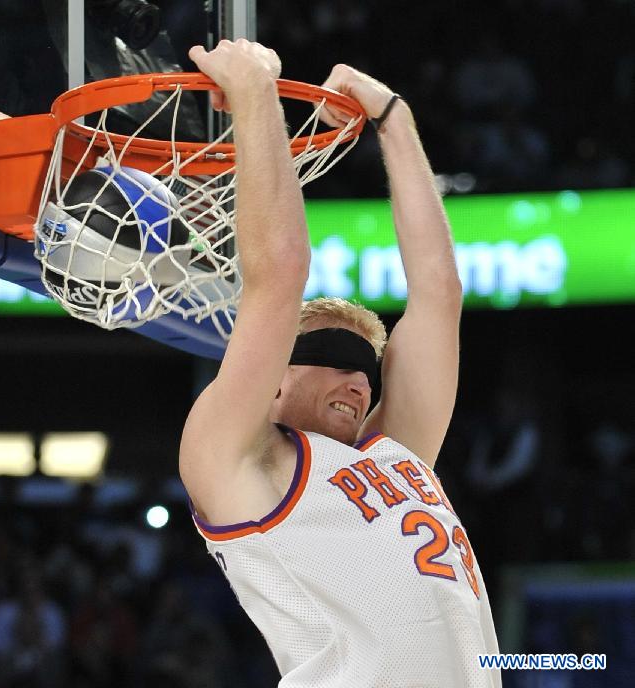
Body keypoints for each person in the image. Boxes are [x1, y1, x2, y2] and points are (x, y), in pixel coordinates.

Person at [180, 39, 501, 687]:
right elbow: (278, 276)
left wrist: (394, 121)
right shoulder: (237, 460)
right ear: (271, 376)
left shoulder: (391, 453)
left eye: (366, 365)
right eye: (330, 356)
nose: (358, 378)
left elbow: (439, 293)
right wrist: (255, 94)